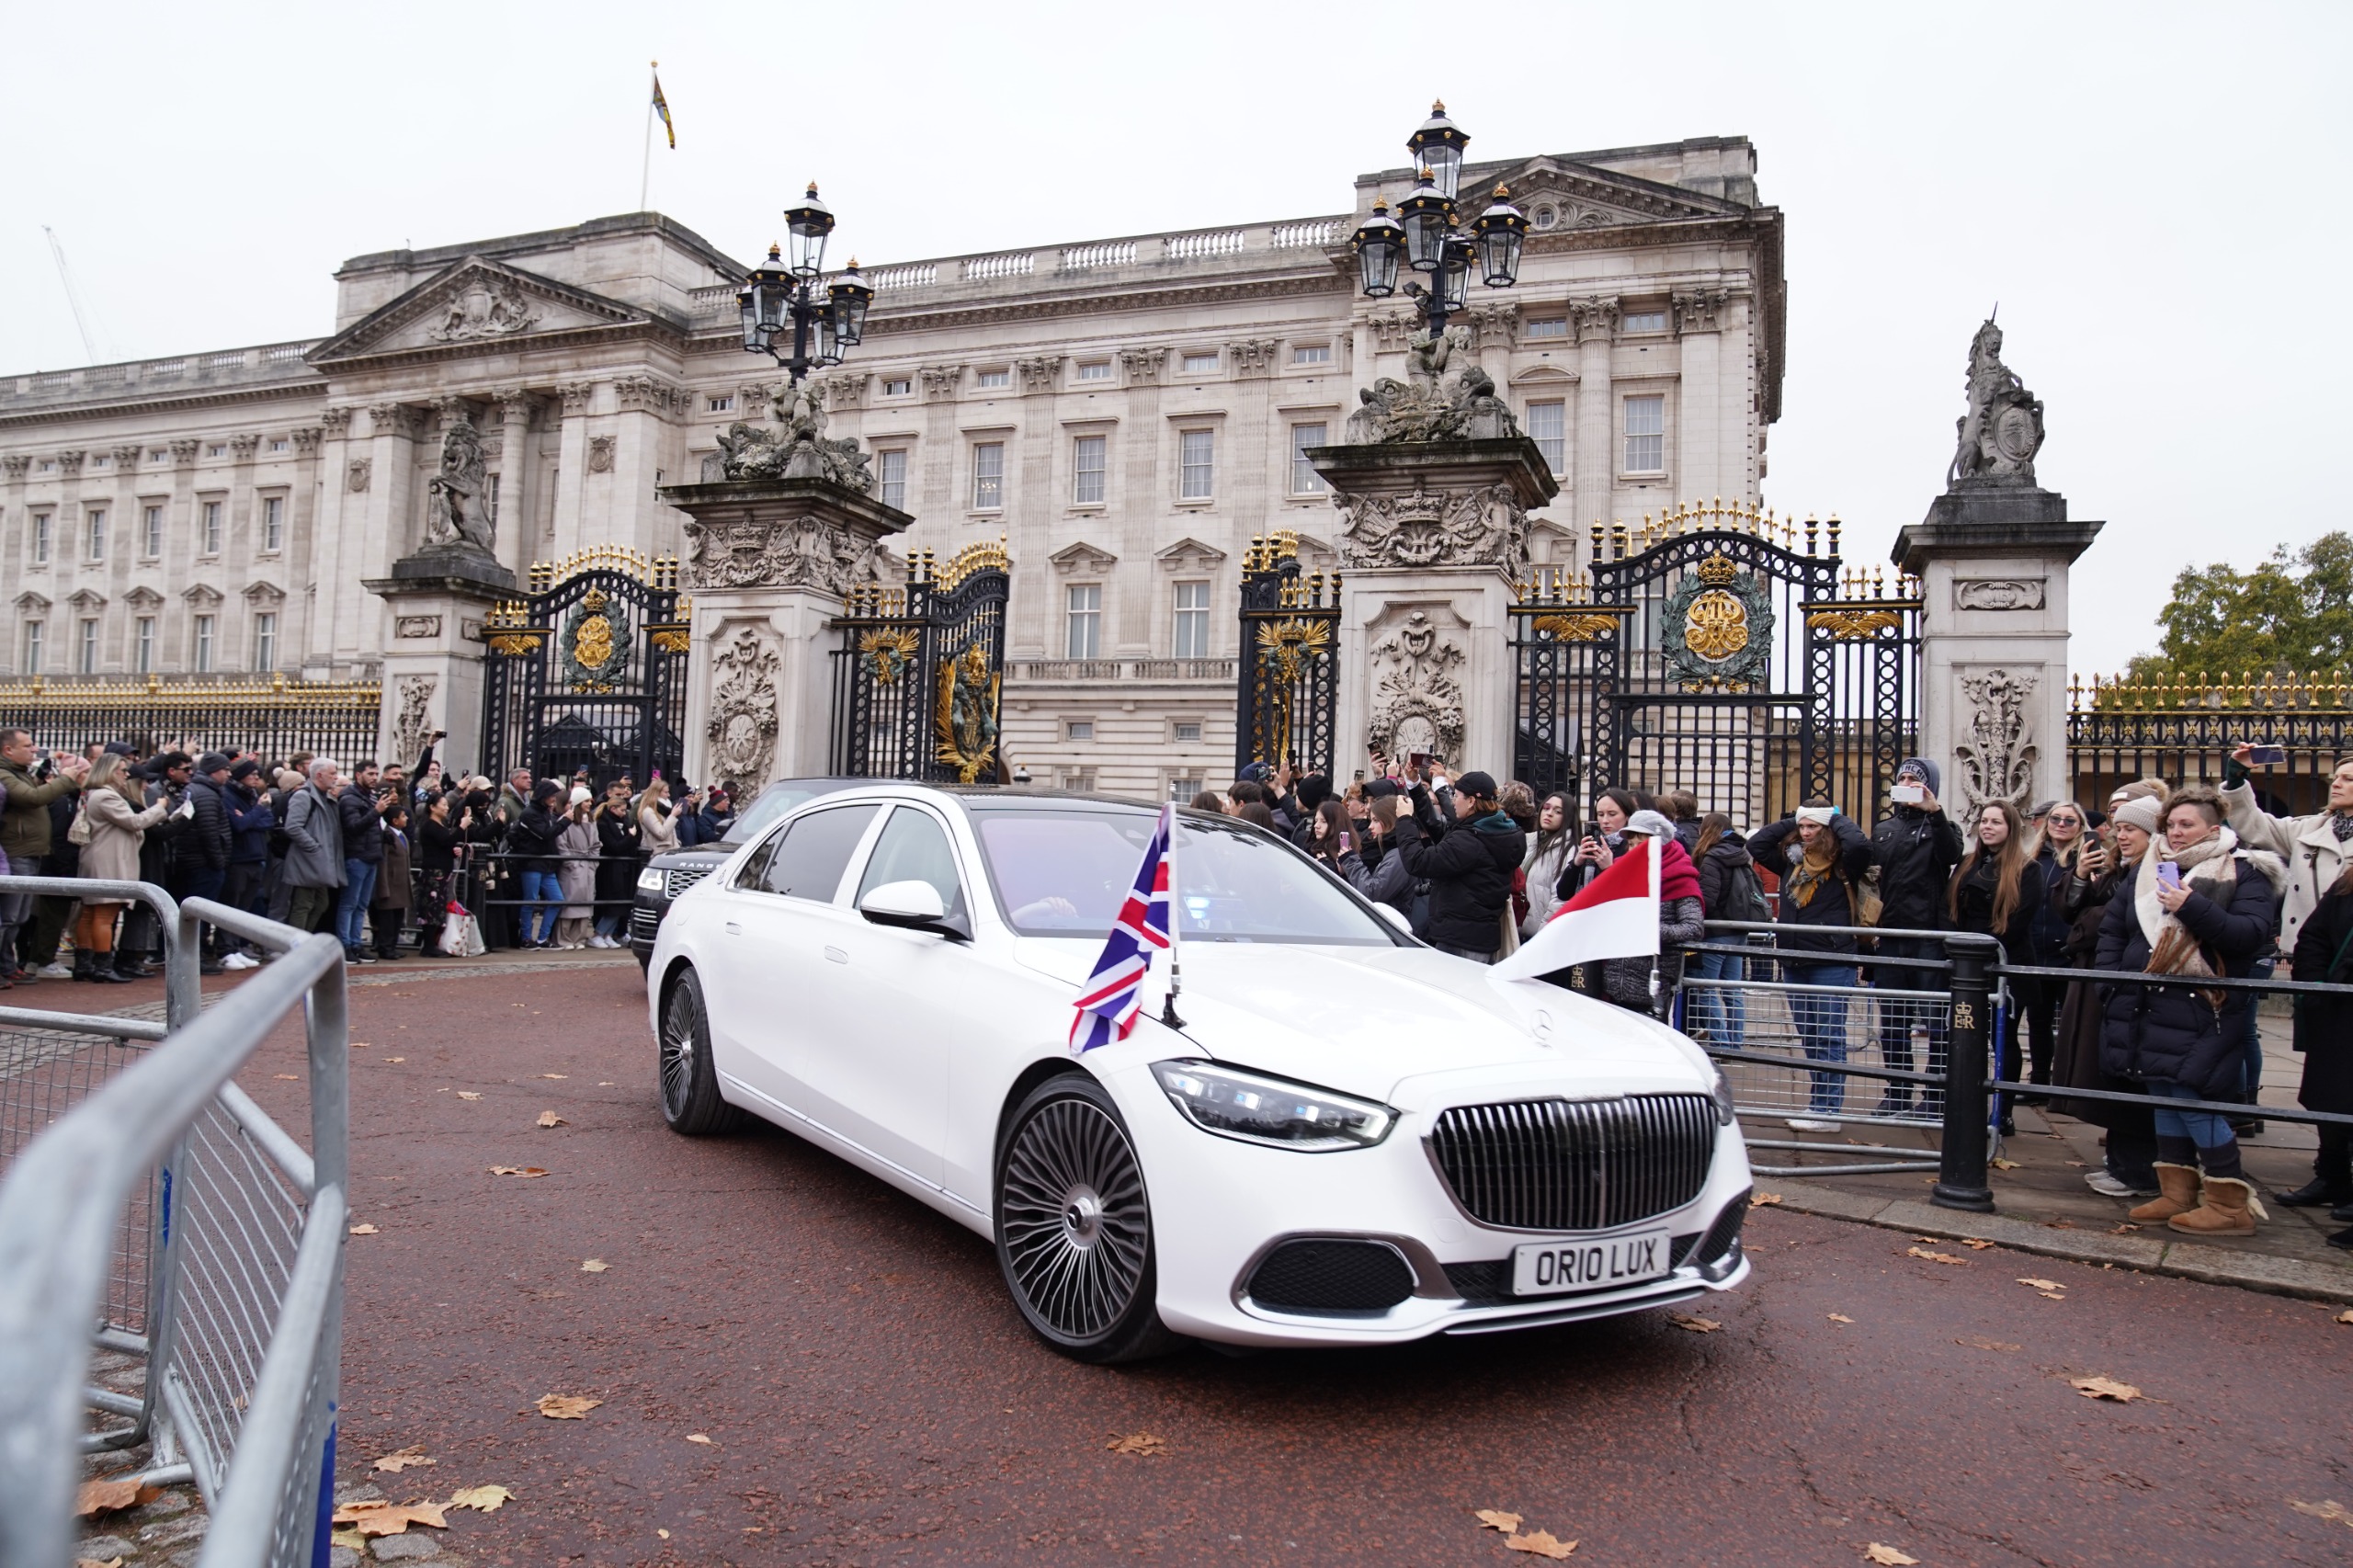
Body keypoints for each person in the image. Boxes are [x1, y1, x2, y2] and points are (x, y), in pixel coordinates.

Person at [2095, 785, 2284, 1235]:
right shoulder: (2147, 871)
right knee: (2164, 1096)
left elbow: (2248, 935)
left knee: (2192, 1097)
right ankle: (2176, 1192)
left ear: (2213, 828)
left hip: (2204, 1005)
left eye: (2187, 825)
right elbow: (2113, 931)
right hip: (2145, 1001)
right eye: (2171, 825)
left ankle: (2228, 1203)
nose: (2176, 833)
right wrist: (2110, 983)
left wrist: (2190, 904)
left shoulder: (2244, 872)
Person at [2221, 746, 2353, 1121]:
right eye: (2336, 777)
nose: (2336, 783)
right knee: (2325, 1056)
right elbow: (2255, 825)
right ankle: (2333, 1154)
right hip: (2315, 960)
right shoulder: (2309, 828)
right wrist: (2237, 776)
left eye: (2347, 779)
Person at [2053, 787, 2165, 1199]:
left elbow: (2105, 922)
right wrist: (2080, 876)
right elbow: (2070, 912)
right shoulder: (2120, 869)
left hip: (2125, 983)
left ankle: (2137, 1171)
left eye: (2131, 828)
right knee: (2110, 1073)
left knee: (2129, 1080)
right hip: (2101, 980)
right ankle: (2122, 1164)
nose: (2121, 835)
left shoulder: (2151, 871)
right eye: (2117, 827)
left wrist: (2089, 920)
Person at [1749, 801, 1876, 1131]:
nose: (1805, 833)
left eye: (1812, 827)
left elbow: (1860, 843)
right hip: (1794, 959)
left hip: (1831, 959)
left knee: (1829, 1036)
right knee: (1810, 1037)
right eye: (1801, 827)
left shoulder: (1844, 863)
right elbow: (1756, 843)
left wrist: (1834, 818)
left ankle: (1829, 1110)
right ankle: (1818, 1105)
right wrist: (1795, 817)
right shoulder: (1791, 861)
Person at [1947, 801, 2048, 1131]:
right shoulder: (1966, 865)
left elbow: (2018, 921)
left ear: (2011, 828)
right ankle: (1968, 1103)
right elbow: (1951, 912)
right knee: (1968, 1035)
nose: (1988, 827)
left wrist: (1981, 949)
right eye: (1984, 821)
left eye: (1996, 822)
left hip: (2005, 965)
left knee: (2002, 1039)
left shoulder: (2027, 869)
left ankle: (2002, 1111)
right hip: (1967, 967)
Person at [1870, 757, 1964, 1104]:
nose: (1907, 782)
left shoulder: (1945, 826)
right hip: (1892, 937)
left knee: (1936, 1023)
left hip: (1928, 938)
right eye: (1903, 777)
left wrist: (1934, 812)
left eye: (1915, 778)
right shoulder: (1884, 828)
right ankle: (1897, 1090)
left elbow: (1951, 854)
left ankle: (1936, 1095)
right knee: (1893, 1023)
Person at [71, 754, 183, 984]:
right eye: (122, 770)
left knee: (91, 913)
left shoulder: (96, 794)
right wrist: (160, 808)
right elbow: (134, 822)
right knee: (104, 914)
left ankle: (85, 964)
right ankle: (101, 966)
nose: (125, 775)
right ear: (110, 772)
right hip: (109, 860)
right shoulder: (106, 796)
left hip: (102, 857)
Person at [1390, 769, 1523, 963]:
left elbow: (1418, 862)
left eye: (1456, 795)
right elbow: (1440, 829)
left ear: (1471, 802)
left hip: (1460, 939)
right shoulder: (1491, 829)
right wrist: (1415, 787)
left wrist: (1404, 820)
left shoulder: (1471, 840)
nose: (1452, 801)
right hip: (1475, 935)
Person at [2287, 859, 2353, 1246]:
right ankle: (2333, 1179)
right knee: (2330, 1097)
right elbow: (2313, 936)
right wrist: (2315, 988)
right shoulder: (2346, 884)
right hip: (2337, 1011)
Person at [1591, 810, 1705, 1020]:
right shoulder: (1622, 872)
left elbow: (1693, 927)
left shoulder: (1680, 877)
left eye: (1639, 844)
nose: (1633, 850)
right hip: (1615, 981)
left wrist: (1649, 929)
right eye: (1631, 844)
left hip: (1652, 984)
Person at [0, 730, 91, 986]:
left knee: (18, 917)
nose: (34, 749)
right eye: (28, 745)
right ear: (8, 750)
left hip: (30, 852)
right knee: (8, 917)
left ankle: (7, 965)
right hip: (17, 851)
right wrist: (64, 780)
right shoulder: (4, 773)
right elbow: (32, 799)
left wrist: (42, 780)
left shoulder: (19, 772)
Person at [2021, 800, 2094, 1094]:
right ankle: (2039, 1080)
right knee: (2038, 1021)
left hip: (2068, 953)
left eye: (2069, 820)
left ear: (2080, 826)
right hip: (2036, 952)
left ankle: (2067, 1084)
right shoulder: (2033, 858)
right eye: (2055, 819)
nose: (2061, 825)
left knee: (2070, 1023)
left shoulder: (2085, 858)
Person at [1688, 811, 1762, 1047]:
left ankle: (1721, 1042)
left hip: (1717, 931)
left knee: (1706, 989)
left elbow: (1707, 899)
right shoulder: (1740, 854)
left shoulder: (1711, 858)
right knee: (1732, 990)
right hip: (1738, 930)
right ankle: (1735, 1044)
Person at [280, 759, 347, 937]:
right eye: (332, 773)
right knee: (303, 904)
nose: (335, 777)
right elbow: (293, 827)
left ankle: (304, 939)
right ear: (319, 775)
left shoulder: (326, 797)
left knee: (321, 903)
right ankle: (295, 944)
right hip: (308, 862)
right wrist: (314, 847)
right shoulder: (303, 796)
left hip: (320, 862)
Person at [221, 759, 274, 969]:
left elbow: (269, 821)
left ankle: (235, 947)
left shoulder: (252, 795)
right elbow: (238, 825)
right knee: (230, 907)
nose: (256, 778)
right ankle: (224, 949)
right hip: (238, 859)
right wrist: (258, 811)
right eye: (252, 774)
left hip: (255, 857)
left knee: (244, 909)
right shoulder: (229, 795)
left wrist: (253, 817)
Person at [335, 761, 389, 962]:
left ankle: (356, 944)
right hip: (356, 857)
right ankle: (345, 944)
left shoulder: (370, 797)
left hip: (370, 856)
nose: (375, 777)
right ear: (358, 775)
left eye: (376, 773)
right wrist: (376, 811)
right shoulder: (349, 799)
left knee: (361, 905)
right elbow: (353, 827)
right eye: (370, 774)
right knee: (349, 903)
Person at [508, 779, 568, 949]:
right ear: (544, 796)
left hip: (547, 864)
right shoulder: (530, 813)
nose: (554, 799)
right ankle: (526, 938)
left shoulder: (545, 812)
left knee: (557, 900)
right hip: (532, 864)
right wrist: (565, 821)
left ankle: (543, 937)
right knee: (530, 901)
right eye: (552, 796)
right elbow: (545, 834)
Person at [591, 781, 642, 949]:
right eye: (621, 810)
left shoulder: (625, 822)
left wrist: (631, 837)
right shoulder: (603, 823)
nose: (624, 813)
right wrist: (630, 837)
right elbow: (614, 846)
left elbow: (630, 843)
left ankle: (608, 934)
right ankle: (599, 933)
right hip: (610, 869)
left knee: (621, 904)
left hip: (624, 868)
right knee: (613, 904)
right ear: (613, 809)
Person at [1520, 793, 1576, 938]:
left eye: (1558, 811)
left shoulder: (1568, 851)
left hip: (1538, 935)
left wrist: (1543, 936)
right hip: (1518, 930)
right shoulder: (1529, 841)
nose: (1549, 813)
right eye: (1546, 808)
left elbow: (1559, 900)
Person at [416, 790, 464, 955]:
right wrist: (461, 827)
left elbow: (444, 846)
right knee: (432, 907)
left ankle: (432, 943)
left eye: (446, 804)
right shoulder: (430, 825)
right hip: (433, 872)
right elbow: (446, 841)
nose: (446, 808)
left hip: (442, 870)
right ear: (432, 807)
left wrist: (453, 852)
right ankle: (428, 945)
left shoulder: (439, 826)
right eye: (443, 804)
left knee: (438, 907)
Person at [555, 787, 601, 949]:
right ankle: (564, 938)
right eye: (586, 801)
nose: (590, 803)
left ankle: (579, 938)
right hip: (573, 865)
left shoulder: (591, 820)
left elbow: (596, 844)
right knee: (570, 902)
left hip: (587, 865)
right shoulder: (566, 819)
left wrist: (594, 862)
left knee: (585, 903)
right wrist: (571, 863)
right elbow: (562, 844)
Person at [369, 802, 414, 960]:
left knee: (397, 919)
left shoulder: (401, 835)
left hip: (400, 885)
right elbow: (383, 862)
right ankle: (385, 947)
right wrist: (383, 887)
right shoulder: (387, 836)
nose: (407, 818)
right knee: (387, 921)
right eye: (403, 816)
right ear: (395, 820)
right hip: (390, 884)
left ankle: (393, 946)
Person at [636, 778, 681, 857]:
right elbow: (661, 834)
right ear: (656, 793)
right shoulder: (648, 811)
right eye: (666, 792)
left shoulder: (664, 810)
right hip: (657, 855)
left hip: (669, 854)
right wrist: (673, 816)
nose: (669, 795)